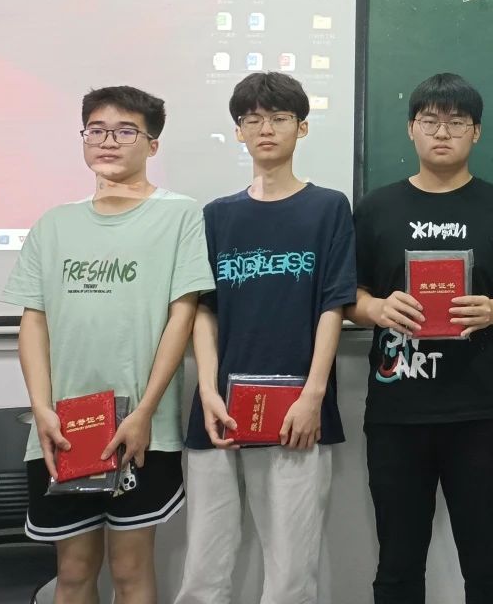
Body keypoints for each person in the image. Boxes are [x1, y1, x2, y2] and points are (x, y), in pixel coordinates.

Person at [4, 85, 214, 604]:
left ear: (152, 144)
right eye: (96, 130)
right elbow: (34, 321)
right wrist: (41, 409)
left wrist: (144, 412)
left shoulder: (180, 215)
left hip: (140, 428)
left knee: (130, 568)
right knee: (74, 571)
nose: (108, 141)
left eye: (124, 131)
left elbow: (182, 316)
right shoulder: (54, 223)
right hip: (63, 430)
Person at [348, 72, 493, 604]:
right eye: (430, 120)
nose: (442, 132)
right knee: (397, 563)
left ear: (475, 132)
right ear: (410, 128)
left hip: (478, 411)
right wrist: (378, 308)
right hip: (396, 413)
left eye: (457, 122)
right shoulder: (376, 208)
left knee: (487, 560)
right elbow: (350, 297)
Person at [175, 72, 355, 604]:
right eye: (252, 119)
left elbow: (333, 305)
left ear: (302, 127)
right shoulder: (217, 216)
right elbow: (203, 311)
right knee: (203, 570)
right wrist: (207, 390)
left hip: (296, 410)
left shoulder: (328, 208)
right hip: (219, 411)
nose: (266, 129)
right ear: (238, 131)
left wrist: (313, 396)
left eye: (279, 118)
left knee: (291, 574)